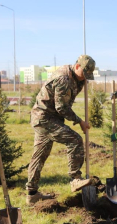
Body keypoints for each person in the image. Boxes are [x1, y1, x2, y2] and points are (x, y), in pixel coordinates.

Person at [26, 55, 96, 206]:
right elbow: (62, 107)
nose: (86, 78)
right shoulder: (63, 78)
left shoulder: (78, 78)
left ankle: (32, 194)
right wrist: (80, 121)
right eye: (84, 74)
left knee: (39, 156)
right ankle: (75, 179)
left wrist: (82, 81)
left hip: (47, 117)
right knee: (75, 140)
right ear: (77, 66)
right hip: (45, 118)